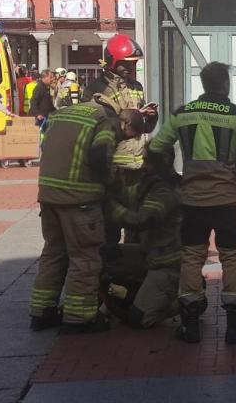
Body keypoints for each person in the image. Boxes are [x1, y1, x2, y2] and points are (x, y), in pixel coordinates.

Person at [149, 61, 236, 344]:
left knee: (192, 256)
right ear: (225, 84)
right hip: (227, 199)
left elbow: (156, 149)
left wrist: (173, 178)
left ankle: (190, 325)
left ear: (204, 84)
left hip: (191, 199)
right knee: (232, 257)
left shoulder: (182, 115)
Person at [28, 104, 138, 334]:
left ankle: (42, 312)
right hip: (79, 199)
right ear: (125, 123)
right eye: (129, 136)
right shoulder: (106, 124)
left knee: (54, 252)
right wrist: (113, 184)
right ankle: (79, 317)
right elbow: (99, 158)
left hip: (48, 194)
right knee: (85, 257)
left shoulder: (69, 113)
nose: (124, 141)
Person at [102, 135, 181, 329]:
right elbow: (127, 195)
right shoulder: (150, 185)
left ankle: (184, 301)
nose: (143, 165)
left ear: (162, 162)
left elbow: (140, 220)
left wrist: (109, 205)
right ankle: (143, 292)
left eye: (147, 161)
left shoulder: (166, 191)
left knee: (139, 319)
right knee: (104, 255)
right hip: (149, 255)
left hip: (167, 265)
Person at [86, 35, 157, 176]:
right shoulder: (96, 89)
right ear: (112, 61)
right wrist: (132, 116)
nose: (131, 67)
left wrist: (150, 117)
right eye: (126, 63)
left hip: (139, 161)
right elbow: (97, 127)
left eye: (134, 63)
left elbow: (144, 129)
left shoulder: (136, 86)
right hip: (114, 163)